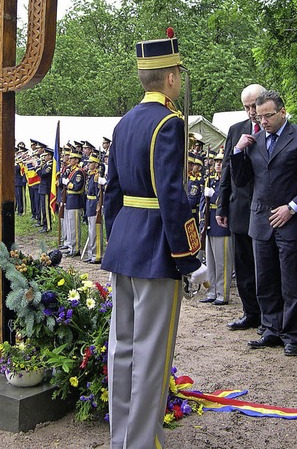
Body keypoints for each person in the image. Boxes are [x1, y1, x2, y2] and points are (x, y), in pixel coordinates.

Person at [101, 32, 206, 449]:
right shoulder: (169, 123)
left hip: (125, 242)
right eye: (178, 72)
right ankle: (142, 443)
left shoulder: (124, 122)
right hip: (158, 248)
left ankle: (120, 438)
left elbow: (111, 193)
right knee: (151, 354)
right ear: (171, 77)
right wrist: (189, 257)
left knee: (121, 348)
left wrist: (118, 237)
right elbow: (172, 196)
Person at [229, 90, 297, 357]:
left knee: (292, 283)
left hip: (293, 221)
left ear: (282, 112)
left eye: (268, 115)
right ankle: (270, 328)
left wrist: (292, 207)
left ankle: (292, 334)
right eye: (259, 116)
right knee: (265, 281)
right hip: (261, 219)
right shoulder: (255, 139)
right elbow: (241, 180)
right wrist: (238, 152)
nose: (263, 121)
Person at [217, 84, 266, 331]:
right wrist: (221, 206)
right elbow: (226, 168)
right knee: (244, 264)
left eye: (254, 105)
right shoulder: (236, 130)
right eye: (246, 107)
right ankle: (250, 313)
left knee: (265, 266)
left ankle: (268, 317)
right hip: (239, 208)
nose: (251, 112)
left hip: (265, 209)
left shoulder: (272, 128)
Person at [199, 150, 234, 305]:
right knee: (211, 261)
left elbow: (226, 199)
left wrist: (213, 195)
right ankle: (211, 291)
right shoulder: (210, 180)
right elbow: (202, 203)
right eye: (216, 161)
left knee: (222, 262)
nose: (218, 164)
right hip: (210, 224)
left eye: (221, 161)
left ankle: (222, 293)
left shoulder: (229, 180)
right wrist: (202, 222)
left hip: (222, 225)